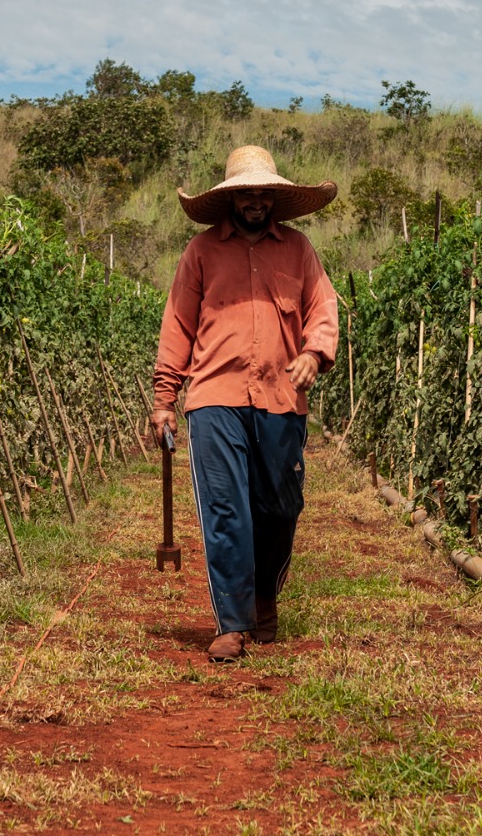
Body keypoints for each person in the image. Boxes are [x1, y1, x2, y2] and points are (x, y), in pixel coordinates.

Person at [149, 145, 339, 662]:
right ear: (231, 198)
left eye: (263, 192)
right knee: (226, 508)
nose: (255, 201)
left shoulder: (298, 249)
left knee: (280, 505)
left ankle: (263, 596)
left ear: (274, 197)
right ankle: (231, 622)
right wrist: (164, 398)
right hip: (214, 395)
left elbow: (323, 309)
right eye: (246, 192)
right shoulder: (201, 252)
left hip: (281, 397)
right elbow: (178, 326)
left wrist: (314, 354)